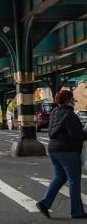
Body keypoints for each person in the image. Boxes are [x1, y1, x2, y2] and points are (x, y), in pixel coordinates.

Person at [37, 90, 87, 219]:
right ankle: (77, 212)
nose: (74, 101)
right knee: (74, 181)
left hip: (54, 150)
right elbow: (77, 136)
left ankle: (45, 203)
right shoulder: (70, 115)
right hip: (68, 151)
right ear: (68, 100)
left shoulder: (54, 112)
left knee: (59, 177)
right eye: (72, 98)